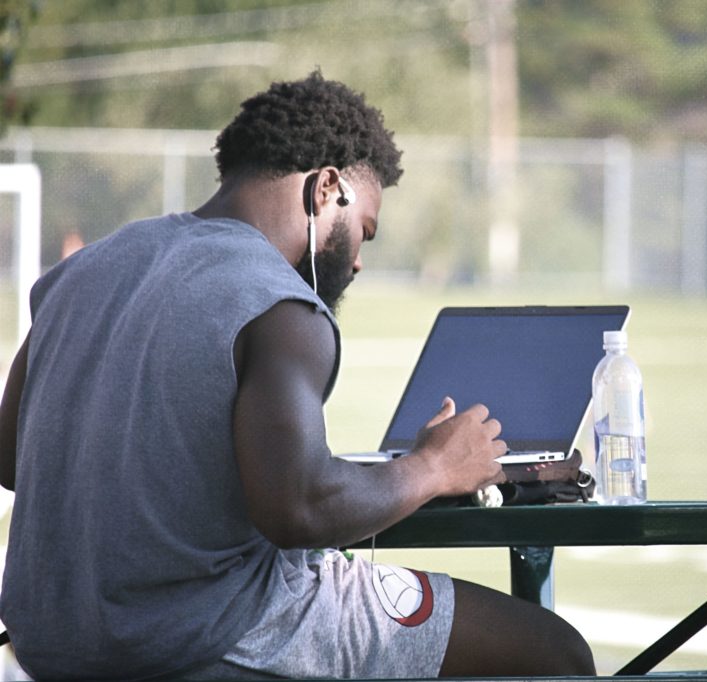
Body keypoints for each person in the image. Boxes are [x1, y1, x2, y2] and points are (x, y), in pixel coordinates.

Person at [0, 71, 594, 680]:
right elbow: (299, 509)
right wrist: (434, 467)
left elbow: (10, 458)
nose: (359, 260)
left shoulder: (79, 272)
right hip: (203, 633)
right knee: (556, 653)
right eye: (363, 230)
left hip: (48, 639)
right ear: (327, 189)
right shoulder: (282, 305)